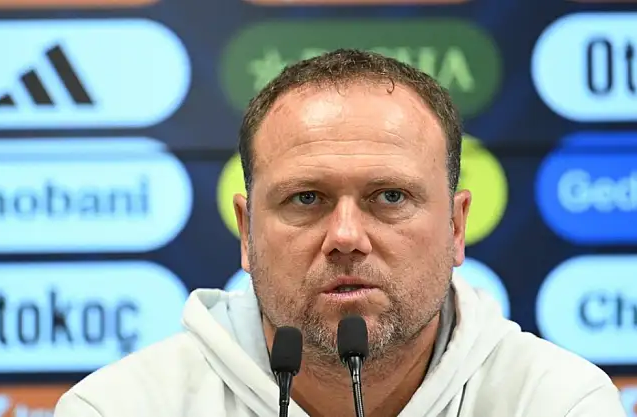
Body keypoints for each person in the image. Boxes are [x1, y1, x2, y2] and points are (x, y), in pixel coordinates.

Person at [53, 49, 626, 417]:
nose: (346, 236)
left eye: (390, 197)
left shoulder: (557, 402)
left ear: (456, 227)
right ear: (247, 233)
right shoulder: (120, 407)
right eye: (307, 199)